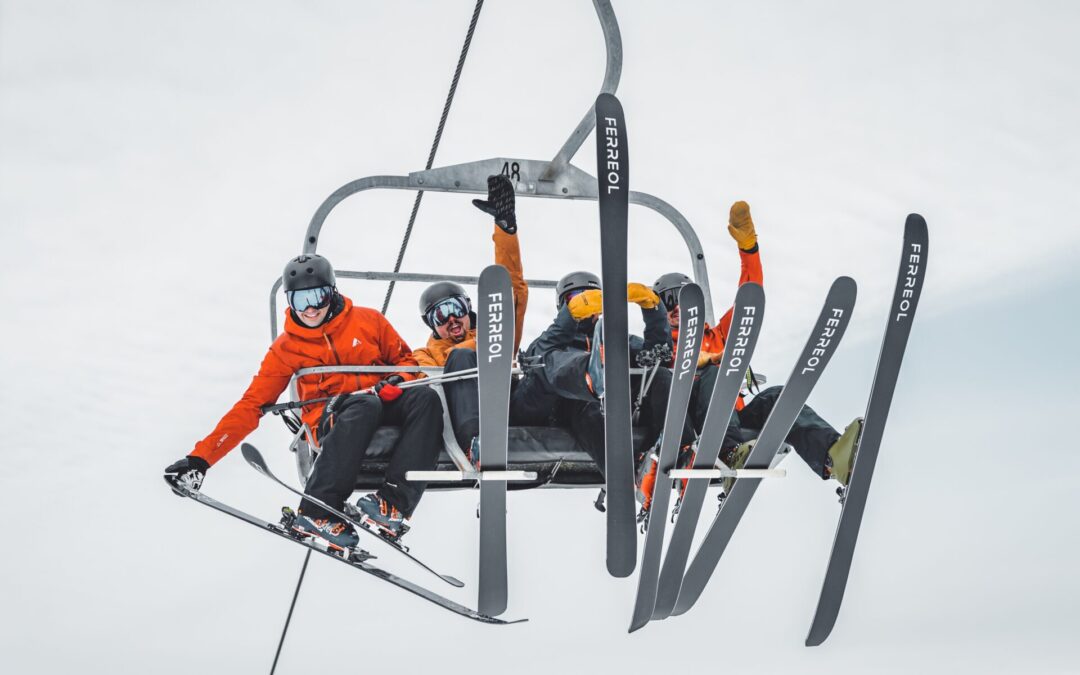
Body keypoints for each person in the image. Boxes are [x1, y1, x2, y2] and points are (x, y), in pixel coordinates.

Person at [164, 253, 442, 546]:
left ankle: (393, 505)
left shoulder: (368, 321)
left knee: (425, 399)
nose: (310, 309)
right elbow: (251, 405)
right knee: (364, 405)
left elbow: (407, 362)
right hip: (336, 417)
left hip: (381, 399)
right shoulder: (286, 349)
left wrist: (398, 380)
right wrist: (200, 459)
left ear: (332, 293)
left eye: (317, 297)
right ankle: (317, 509)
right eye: (299, 301)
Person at [652, 201, 860, 491]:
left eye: (681, 298)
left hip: (732, 419)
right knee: (714, 373)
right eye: (667, 301)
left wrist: (748, 249)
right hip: (693, 426)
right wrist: (715, 361)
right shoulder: (658, 345)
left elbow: (749, 296)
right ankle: (728, 454)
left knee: (778, 397)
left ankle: (832, 456)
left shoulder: (718, 334)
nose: (675, 308)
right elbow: (664, 380)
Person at [508, 270, 693, 511]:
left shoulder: (617, 341)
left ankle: (680, 450)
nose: (587, 303)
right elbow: (539, 355)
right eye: (575, 297)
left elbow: (660, 354)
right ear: (563, 306)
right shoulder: (550, 342)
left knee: (659, 374)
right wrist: (571, 316)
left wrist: (653, 310)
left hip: (601, 405)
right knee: (553, 364)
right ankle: (588, 375)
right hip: (555, 406)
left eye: (594, 297)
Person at [411, 175, 528, 461]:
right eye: (441, 314)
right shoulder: (424, 355)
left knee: (538, 365)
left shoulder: (496, 333)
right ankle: (476, 445)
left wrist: (505, 229)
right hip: (464, 418)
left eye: (456, 309)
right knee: (460, 360)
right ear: (432, 325)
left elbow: (512, 287)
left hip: (508, 404)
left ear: (468, 309)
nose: (452, 319)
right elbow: (426, 384)